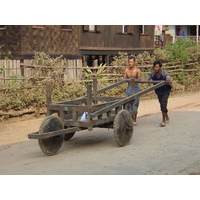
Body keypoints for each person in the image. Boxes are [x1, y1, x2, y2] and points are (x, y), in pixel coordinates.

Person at [147, 60, 172, 127]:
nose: (156, 68)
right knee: (162, 104)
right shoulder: (153, 73)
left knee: (163, 104)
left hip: (165, 90)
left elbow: (168, 77)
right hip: (158, 91)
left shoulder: (164, 73)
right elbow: (148, 78)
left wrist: (167, 80)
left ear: (160, 67)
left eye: (157, 67)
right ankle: (166, 116)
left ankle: (163, 120)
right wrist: (146, 80)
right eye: (155, 67)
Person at [123, 56, 141, 125]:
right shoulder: (126, 70)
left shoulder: (137, 70)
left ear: (134, 62)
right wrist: (121, 79)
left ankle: (134, 119)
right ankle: (129, 118)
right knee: (128, 102)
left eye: (131, 62)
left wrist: (137, 80)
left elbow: (139, 78)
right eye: (129, 62)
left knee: (135, 102)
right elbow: (124, 78)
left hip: (136, 87)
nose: (130, 63)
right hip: (129, 87)